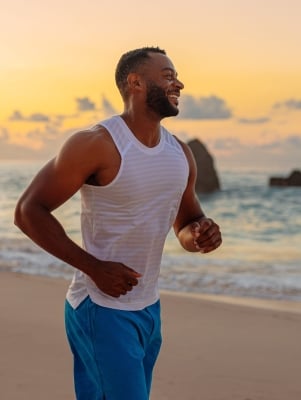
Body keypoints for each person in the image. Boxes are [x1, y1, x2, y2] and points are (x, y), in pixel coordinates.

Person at [14, 46, 222, 400]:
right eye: (168, 76)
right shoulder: (95, 144)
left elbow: (187, 222)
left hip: (149, 308)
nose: (180, 84)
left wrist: (201, 235)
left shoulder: (180, 153)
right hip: (100, 308)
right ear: (136, 82)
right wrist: (94, 268)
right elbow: (28, 211)